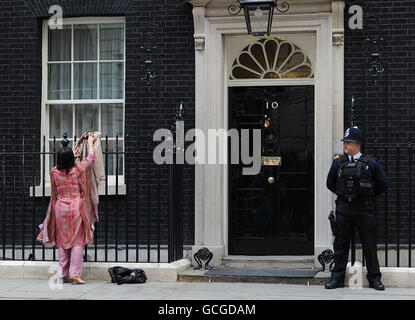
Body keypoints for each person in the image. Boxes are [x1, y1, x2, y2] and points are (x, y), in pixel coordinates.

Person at [325, 126, 389, 290]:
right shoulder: (338, 162)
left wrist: (368, 196)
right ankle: (337, 278)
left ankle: (374, 279)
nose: (345, 145)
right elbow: (330, 183)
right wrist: (344, 195)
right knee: (340, 245)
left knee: (369, 245)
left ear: (358, 145)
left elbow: (383, 183)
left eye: (349, 142)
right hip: (344, 208)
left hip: (364, 210)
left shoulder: (371, 163)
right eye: (345, 142)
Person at [37, 133, 96, 285]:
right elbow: (90, 158)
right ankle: (75, 274)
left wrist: (71, 157)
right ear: (72, 159)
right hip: (76, 208)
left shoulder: (53, 171)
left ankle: (63, 273)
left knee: (63, 242)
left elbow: (55, 189)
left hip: (60, 208)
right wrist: (90, 142)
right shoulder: (79, 170)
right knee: (78, 241)